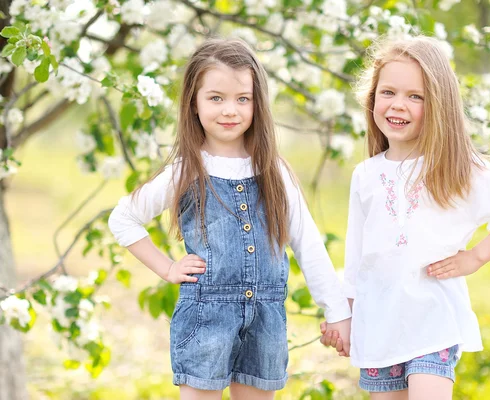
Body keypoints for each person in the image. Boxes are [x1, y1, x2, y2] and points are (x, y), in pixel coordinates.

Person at [108, 37, 351, 400]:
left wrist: (336, 312)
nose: (230, 110)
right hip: (207, 319)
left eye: (243, 99)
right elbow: (123, 218)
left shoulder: (274, 171)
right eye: (216, 98)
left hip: (266, 321)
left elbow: (308, 243)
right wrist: (167, 268)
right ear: (193, 101)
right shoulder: (187, 170)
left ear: (258, 103)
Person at [320, 35, 490, 399]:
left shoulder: (456, 167)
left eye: (415, 97)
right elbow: (358, 255)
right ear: (372, 98)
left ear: (438, 105)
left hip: (433, 322)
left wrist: (475, 257)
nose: (398, 105)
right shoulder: (366, 175)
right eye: (388, 92)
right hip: (379, 325)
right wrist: (346, 313)